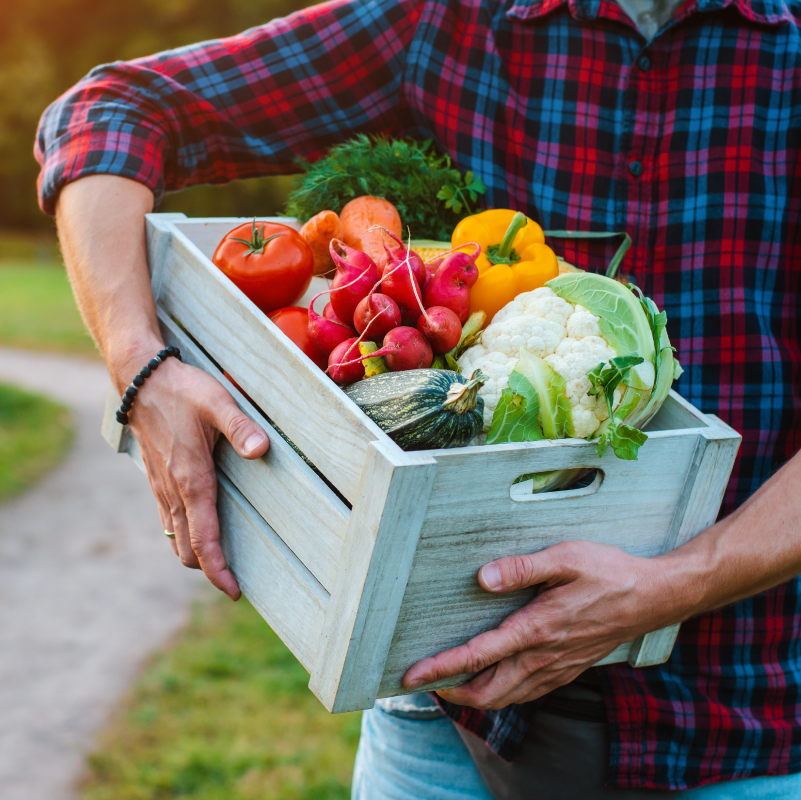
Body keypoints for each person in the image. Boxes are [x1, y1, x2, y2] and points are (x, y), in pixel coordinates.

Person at [35, 0, 801, 795]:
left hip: (741, 725)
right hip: (442, 719)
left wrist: (682, 582)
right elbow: (110, 111)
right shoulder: (450, 21)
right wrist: (140, 368)